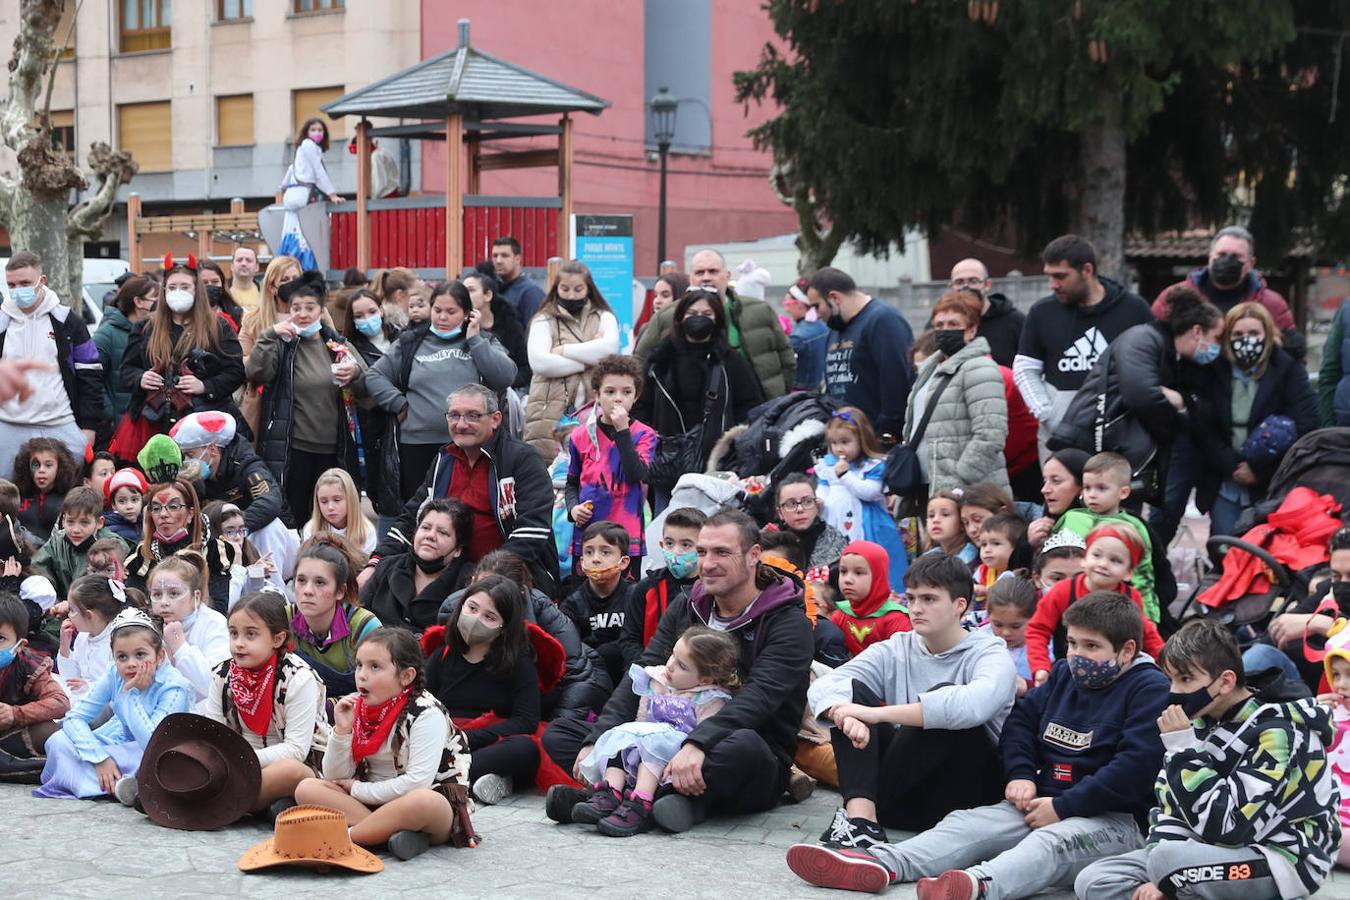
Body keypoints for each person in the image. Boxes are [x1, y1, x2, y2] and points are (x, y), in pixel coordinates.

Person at [791, 591, 1168, 897]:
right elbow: (1021, 722)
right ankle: (879, 863)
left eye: (1092, 647)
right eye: (1071, 643)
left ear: (1127, 650)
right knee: (966, 825)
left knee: (1049, 846)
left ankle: (977, 886)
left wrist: (1065, 806)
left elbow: (1136, 766)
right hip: (1041, 801)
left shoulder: (1148, 689)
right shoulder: (1064, 674)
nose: (1077, 656)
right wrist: (1021, 775)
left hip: (1113, 819)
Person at [543, 510, 814, 832]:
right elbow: (644, 673)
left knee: (743, 747)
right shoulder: (689, 605)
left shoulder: (789, 623)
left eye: (722, 553)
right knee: (562, 735)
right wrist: (597, 738)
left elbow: (759, 699)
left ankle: (622, 798)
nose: (707, 563)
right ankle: (652, 800)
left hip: (736, 747)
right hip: (661, 735)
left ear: (754, 555)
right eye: (702, 552)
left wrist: (697, 744)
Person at [1074, 620, 1339, 900]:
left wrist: (1184, 751)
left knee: (1167, 862)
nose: (1174, 691)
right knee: (1093, 880)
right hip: (1200, 854)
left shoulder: (1278, 733)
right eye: (1171, 679)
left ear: (1225, 681)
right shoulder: (1199, 721)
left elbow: (1230, 829)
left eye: (1186, 679)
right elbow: (1170, 809)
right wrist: (1164, 875)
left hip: (1281, 859)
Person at [799, 553, 1016, 850]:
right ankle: (862, 822)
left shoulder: (990, 653)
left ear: (960, 606)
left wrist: (876, 715)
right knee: (851, 691)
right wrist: (845, 714)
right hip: (903, 797)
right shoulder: (898, 647)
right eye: (911, 599)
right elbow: (827, 683)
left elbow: (971, 706)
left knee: (943, 698)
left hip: (969, 795)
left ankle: (864, 818)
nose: (915, 608)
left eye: (929, 599)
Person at [1052, 285, 1225, 537]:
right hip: (1091, 444)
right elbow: (1142, 396)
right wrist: (1176, 414)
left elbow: (1193, 405)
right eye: (1217, 338)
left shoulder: (1172, 356)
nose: (1217, 347)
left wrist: (1180, 402)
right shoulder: (1143, 339)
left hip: (1117, 454)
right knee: (1080, 530)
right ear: (1197, 331)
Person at [293, 627, 474, 862]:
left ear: (406, 676)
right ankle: (387, 835)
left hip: (422, 805)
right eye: (359, 665)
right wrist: (341, 732)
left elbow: (417, 782)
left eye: (374, 667)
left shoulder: (426, 713)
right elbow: (333, 776)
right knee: (307, 787)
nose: (362, 675)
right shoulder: (358, 706)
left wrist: (357, 790)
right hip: (370, 804)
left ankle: (348, 837)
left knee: (423, 801)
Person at [364, 383, 559, 596]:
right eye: (454, 415)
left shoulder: (522, 460)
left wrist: (486, 576)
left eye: (473, 416)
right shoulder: (444, 460)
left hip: (513, 580)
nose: (461, 424)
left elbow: (533, 530)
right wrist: (376, 562)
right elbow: (412, 518)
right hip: (449, 576)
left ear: (495, 419)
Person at [563, 625, 739, 837]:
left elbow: (706, 733)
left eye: (682, 666)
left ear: (705, 679)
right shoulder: (657, 680)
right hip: (647, 738)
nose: (671, 666)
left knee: (652, 745)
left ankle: (641, 802)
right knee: (624, 737)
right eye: (672, 655)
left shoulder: (709, 698)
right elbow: (642, 717)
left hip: (675, 754)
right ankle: (609, 792)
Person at [365, 279, 518, 503]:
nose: (442, 317)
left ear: (467, 313)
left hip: (471, 443)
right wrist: (398, 403)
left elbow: (505, 376)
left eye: (451, 311)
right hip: (417, 445)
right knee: (421, 512)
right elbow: (374, 376)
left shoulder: (483, 341)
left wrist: (474, 340)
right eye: (437, 310)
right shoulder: (410, 342)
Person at [1013, 235, 1153, 463]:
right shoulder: (1042, 312)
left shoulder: (1133, 309)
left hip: (1119, 434)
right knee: (1068, 500)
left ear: (1087, 270)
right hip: (1059, 437)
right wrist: (1048, 414)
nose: (1053, 284)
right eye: (1049, 276)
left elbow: (1154, 365)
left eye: (1060, 276)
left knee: (1117, 499)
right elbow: (1025, 368)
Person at [246, 271, 369, 524]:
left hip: (334, 450)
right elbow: (256, 372)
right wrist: (269, 336)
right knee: (296, 517)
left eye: (309, 308)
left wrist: (355, 372)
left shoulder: (336, 345)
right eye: (296, 308)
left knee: (332, 518)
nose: (302, 314)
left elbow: (368, 384)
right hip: (294, 449)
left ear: (321, 310)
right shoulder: (283, 345)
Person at [33, 607, 192, 801]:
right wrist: (100, 758)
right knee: (58, 741)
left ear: (159, 656)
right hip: (116, 744)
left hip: (157, 752)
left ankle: (99, 783)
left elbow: (153, 743)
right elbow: (75, 717)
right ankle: (120, 786)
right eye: (122, 657)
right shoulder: (114, 673)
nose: (131, 663)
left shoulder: (174, 687)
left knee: (144, 760)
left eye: (140, 655)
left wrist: (131, 695)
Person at [199, 591, 328, 818]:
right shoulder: (223, 674)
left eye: (251, 635)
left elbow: (296, 750)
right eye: (234, 633)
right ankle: (261, 804)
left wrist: (241, 759)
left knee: (291, 772)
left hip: (284, 766)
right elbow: (213, 734)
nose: (238, 643)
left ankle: (210, 805)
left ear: (277, 639)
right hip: (234, 767)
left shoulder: (297, 678)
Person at [1193, 302, 1318, 537]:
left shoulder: (1288, 370)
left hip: (1271, 483)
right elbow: (1202, 427)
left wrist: (1259, 471)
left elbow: (1306, 424)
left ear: (1267, 335)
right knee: (1225, 547)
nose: (1245, 339)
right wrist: (1232, 465)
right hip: (1224, 480)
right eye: (1238, 334)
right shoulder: (1212, 370)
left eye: (1253, 333)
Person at [426, 574, 540, 807]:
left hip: (489, 741)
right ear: (462, 605)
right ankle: (478, 781)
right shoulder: (442, 654)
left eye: (489, 617)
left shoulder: (518, 662)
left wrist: (469, 738)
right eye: (472, 608)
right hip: (445, 738)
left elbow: (526, 721)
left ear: (503, 627)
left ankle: (451, 779)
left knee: (525, 750)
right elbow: (423, 702)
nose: (476, 619)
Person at [632, 287, 764, 486]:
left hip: (715, 465)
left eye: (706, 314)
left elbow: (749, 408)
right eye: (692, 314)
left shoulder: (731, 361)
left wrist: (731, 447)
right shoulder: (660, 360)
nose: (698, 319)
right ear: (680, 318)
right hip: (667, 464)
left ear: (717, 319)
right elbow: (641, 406)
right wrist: (652, 443)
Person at [118, 255, 247, 453]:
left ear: (197, 290)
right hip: (153, 419)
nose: (178, 292)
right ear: (164, 290)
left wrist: (205, 386)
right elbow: (126, 370)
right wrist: (140, 378)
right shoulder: (145, 326)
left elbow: (235, 372)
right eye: (172, 287)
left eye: (185, 287)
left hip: (202, 420)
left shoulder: (218, 326)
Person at [636, 249, 795, 399]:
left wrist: (776, 396)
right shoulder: (666, 316)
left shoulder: (760, 311)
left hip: (757, 410)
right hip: (687, 417)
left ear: (727, 275)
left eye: (713, 271)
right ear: (690, 278)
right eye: (699, 272)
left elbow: (786, 358)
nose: (706, 277)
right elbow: (639, 363)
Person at [0, 252, 101, 474]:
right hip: (7, 425)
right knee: (5, 498)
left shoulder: (67, 321)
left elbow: (90, 373)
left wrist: (89, 427)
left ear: (42, 281)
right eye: (11, 284)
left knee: (65, 498)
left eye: (25, 283)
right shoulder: (2, 321)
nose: (18, 290)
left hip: (59, 423)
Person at [1027, 525, 1165, 686]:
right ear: (1084, 559)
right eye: (1097, 555)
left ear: (1129, 572)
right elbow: (1038, 629)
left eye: (1115, 560)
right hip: (1068, 671)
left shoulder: (1131, 596)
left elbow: (1147, 634)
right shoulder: (1063, 590)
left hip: (1115, 675)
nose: (1103, 564)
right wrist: (1040, 667)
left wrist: (1169, 662)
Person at [906, 290, 1010, 494]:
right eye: (939, 325)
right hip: (929, 487)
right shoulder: (929, 369)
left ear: (971, 330)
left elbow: (990, 435)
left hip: (966, 492)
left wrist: (958, 481)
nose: (944, 330)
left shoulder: (980, 368)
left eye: (953, 324)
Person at [1152, 225, 1303, 360]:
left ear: (1250, 263)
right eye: (1221, 254)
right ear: (1210, 257)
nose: (1227, 260)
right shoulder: (1175, 297)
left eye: (1236, 257)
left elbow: (1294, 359)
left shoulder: (1271, 304)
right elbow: (1150, 343)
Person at [565, 355, 657, 568]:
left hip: (627, 539)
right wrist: (573, 509)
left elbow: (637, 474)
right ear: (596, 395)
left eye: (626, 392)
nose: (618, 399)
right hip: (588, 537)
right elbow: (572, 483)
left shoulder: (644, 435)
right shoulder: (580, 436)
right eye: (609, 392)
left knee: (625, 597)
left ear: (636, 396)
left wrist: (622, 431)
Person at [522, 261, 620, 460]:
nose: (572, 295)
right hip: (548, 412)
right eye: (565, 289)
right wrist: (589, 359)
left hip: (594, 411)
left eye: (578, 289)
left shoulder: (604, 317)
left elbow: (608, 349)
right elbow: (541, 363)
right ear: (556, 288)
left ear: (588, 289)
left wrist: (563, 350)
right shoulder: (543, 319)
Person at [1052, 452, 1162, 621]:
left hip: (1112, 606)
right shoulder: (1070, 518)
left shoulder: (1132, 526)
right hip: (1066, 599)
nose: (1092, 494)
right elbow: (1049, 556)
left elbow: (1144, 575)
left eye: (1101, 488)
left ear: (1123, 492)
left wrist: (1148, 618)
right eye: (1087, 488)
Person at [808, 267, 914, 437]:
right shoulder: (835, 328)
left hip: (876, 442)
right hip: (846, 443)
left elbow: (897, 383)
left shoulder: (883, 320)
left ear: (834, 298)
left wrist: (886, 436)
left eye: (816, 306)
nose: (816, 314)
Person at [817, 408, 907, 590]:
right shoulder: (827, 465)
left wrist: (846, 476)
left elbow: (871, 492)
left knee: (871, 565)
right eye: (834, 443)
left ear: (862, 439)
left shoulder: (872, 466)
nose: (839, 448)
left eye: (845, 442)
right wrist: (819, 501)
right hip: (835, 522)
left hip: (869, 526)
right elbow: (823, 489)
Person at [288, 535, 383, 698]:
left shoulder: (364, 626)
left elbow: (381, 691)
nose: (307, 590)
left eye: (320, 582)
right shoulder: (283, 619)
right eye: (301, 580)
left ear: (340, 591)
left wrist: (329, 707)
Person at [361, 499, 472, 634]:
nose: (430, 536)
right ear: (414, 534)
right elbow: (359, 618)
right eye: (425, 527)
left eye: (442, 532)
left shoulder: (467, 585)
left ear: (458, 550)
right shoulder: (386, 566)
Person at [124, 480, 234, 613]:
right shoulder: (143, 555)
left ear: (190, 514)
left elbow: (219, 608)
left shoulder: (211, 551)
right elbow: (134, 608)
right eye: (156, 508)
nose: (163, 514)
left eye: (174, 506)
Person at [621, 507, 707, 667]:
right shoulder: (645, 588)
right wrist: (648, 670)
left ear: (702, 548)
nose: (676, 551)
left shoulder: (712, 589)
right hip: (651, 670)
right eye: (669, 543)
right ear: (661, 544)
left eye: (686, 545)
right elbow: (629, 640)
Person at [0, 593, 70, 774]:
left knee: (49, 730)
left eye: (0, 639)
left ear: (20, 645)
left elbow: (60, 702)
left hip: (10, 736)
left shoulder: (29, 666)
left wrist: (15, 714)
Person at [561, 522, 637, 684]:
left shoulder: (635, 596)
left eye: (605, 552)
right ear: (581, 561)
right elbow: (571, 653)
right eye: (589, 552)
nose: (595, 559)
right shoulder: (572, 604)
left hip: (629, 678)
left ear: (623, 562)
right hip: (590, 679)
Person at [237, 255, 301, 436]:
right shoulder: (253, 320)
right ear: (273, 287)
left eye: (296, 279)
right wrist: (267, 353)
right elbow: (241, 360)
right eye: (285, 279)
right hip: (264, 402)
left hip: (305, 401)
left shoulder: (314, 315)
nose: (292, 284)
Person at [33, 486, 127, 598]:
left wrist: (72, 603)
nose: (76, 530)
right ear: (63, 521)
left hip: (100, 605)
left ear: (99, 523)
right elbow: (38, 570)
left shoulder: (113, 546)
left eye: (84, 522)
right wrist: (52, 601)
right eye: (70, 522)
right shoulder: (57, 542)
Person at [278, 118, 342, 270]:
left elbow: (290, 172)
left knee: (292, 232)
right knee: (306, 235)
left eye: (320, 130)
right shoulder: (309, 145)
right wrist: (332, 194)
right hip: (304, 197)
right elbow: (318, 171)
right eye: (313, 129)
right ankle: (305, 267)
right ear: (306, 132)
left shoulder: (301, 149)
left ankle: (289, 266)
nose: (317, 133)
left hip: (292, 198)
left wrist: (283, 187)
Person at [95, 275, 158, 427]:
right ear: (138, 302)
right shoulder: (106, 335)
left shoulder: (155, 331)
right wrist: (110, 413)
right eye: (155, 298)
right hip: (119, 424)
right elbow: (92, 380)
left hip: (149, 418)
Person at [831, 540, 911, 658]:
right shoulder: (840, 615)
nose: (847, 579)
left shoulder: (895, 619)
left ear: (878, 577)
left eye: (858, 573)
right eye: (843, 571)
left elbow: (902, 661)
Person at [949, 257, 1026, 368]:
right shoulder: (942, 323)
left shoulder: (1015, 321)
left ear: (987, 285)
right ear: (951, 287)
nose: (966, 287)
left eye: (973, 281)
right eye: (959, 282)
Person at [463, 267, 530, 391]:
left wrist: (504, 381)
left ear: (488, 295)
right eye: (463, 291)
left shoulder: (511, 326)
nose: (465, 296)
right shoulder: (459, 327)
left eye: (471, 290)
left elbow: (525, 367)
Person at [57, 574, 125, 696]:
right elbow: (71, 679)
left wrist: (89, 687)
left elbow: (119, 687)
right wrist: (64, 648)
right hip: (84, 701)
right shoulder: (82, 637)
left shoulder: (117, 642)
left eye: (72, 610)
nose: (69, 615)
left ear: (89, 615)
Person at [13, 437, 80, 544]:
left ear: (60, 467)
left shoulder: (70, 499)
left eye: (48, 465)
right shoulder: (16, 495)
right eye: (35, 465)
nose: (41, 470)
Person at [774, 473, 848, 569]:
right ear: (780, 512)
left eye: (807, 502)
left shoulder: (834, 539)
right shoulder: (769, 542)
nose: (800, 509)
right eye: (791, 504)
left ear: (816, 506)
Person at [301, 468, 376, 558]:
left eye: (337, 500)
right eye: (324, 501)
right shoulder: (311, 528)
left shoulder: (366, 530)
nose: (330, 507)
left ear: (350, 499)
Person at [984, 574, 1039, 696]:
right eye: (998, 625)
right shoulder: (979, 640)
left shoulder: (1043, 651)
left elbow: (1049, 692)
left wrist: (1026, 688)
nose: (1006, 633)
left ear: (1034, 618)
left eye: (1015, 626)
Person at [1025, 447, 1089, 550]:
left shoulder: (1107, 528)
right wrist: (1029, 544)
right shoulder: (1038, 530)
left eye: (1056, 481)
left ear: (1083, 486)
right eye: (1044, 481)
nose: (1044, 490)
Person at [781, 278, 829, 392]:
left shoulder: (799, 337)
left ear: (800, 305)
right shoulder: (823, 326)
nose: (786, 308)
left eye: (788, 302)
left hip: (801, 393)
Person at [491, 236, 547, 329]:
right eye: (495, 256)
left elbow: (534, 332)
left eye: (504, 255)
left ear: (517, 259)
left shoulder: (531, 292)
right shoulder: (493, 289)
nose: (498, 261)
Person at [973, 513, 1025, 613]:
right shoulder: (982, 571)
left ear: (1016, 547)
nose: (987, 550)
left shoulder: (1018, 575)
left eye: (996, 543)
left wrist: (986, 591)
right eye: (984, 544)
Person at [924, 490, 978, 567]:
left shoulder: (970, 560)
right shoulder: (928, 558)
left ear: (962, 521)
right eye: (931, 515)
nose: (935, 520)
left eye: (945, 514)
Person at [635, 271, 689, 341]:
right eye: (656, 295)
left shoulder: (689, 332)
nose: (657, 301)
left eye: (665, 295)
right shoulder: (645, 329)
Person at [198, 259, 245, 331]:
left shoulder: (236, 314)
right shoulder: (186, 315)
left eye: (215, 281)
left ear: (222, 283)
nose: (210, 285)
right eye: (204, 282)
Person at [229, 246, 261, 312]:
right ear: (232, 266)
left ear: (257, 267)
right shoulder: (223, 291)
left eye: (249, 260)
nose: (243, 264)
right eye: (239, 260)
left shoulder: (265, 292)